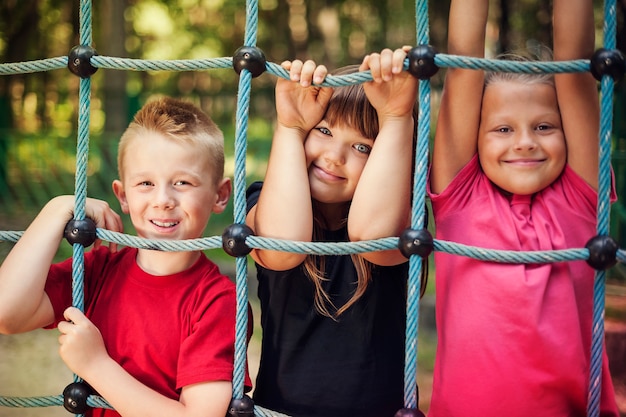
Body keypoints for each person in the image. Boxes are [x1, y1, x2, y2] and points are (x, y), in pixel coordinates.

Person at [0, 97, 252, 417]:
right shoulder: (98, 269)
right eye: (146, 183)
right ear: (122, 195)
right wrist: (56, 210)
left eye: (183, 182)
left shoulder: (218, 301)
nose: (163, 200)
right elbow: (6, 313)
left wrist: (95, 365)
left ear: (220, 195)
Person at [427, 0, 619, 415]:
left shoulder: (581, 199)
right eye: (502, 129)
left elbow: (576, 57)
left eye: (544, 126)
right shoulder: (461, 200)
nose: (525, 141)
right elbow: (462, 62)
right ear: (475, 140)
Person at [245, 47, 424, 417]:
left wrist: (395, 118)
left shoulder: (402, 222)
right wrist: (290, 126)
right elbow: (282, 248)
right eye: (324, 131)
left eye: (362, 146)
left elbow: (372, 236)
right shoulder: (265, 201)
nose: (334, 156)